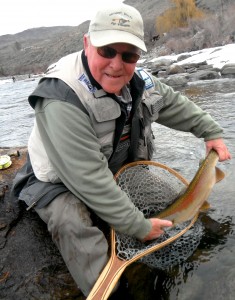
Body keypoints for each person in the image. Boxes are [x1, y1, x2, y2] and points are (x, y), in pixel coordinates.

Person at [12, 3, 231, 298]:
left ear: (138, 56)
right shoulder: (61, 97)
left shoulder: (138, 80)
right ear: (87, 44)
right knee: (71, 223)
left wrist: (211, 132)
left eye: (128, 55)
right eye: (107, 51)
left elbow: (174, 102)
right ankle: (114, 291)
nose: (117, 64)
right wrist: (138, 226)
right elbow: (89, 178)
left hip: (115, 170)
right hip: (56, 182)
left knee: (169, 203)